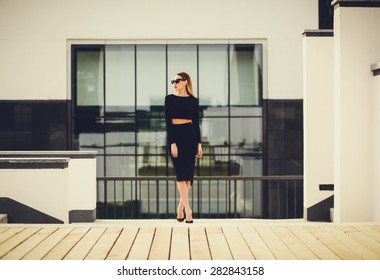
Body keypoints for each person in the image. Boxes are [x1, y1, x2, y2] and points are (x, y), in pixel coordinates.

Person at [164, 72, 202, 223]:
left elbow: (196, 123)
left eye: (177, 80)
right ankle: (188, 210)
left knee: (188, 176)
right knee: (181, 173)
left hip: (190, 136)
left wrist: (199, 144)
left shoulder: (193, 100)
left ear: (186, 82)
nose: (174, 83)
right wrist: (172, 142)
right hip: (176, 136)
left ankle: (180, 208)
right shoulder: (170, 99)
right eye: (173, 81)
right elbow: (168, 122)